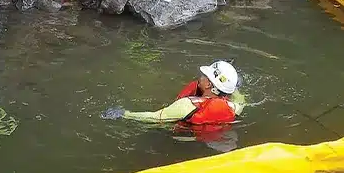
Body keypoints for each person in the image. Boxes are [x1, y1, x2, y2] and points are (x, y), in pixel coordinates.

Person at [103, 61, 245, 149]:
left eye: (204, 76)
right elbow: (240, 99)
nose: (200, 77)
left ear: (208, 84)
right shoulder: (234, 107)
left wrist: (124, 114)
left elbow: (154, 117)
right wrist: (234, 86)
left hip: (180, 139)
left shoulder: (187, 106)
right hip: (204, 139)